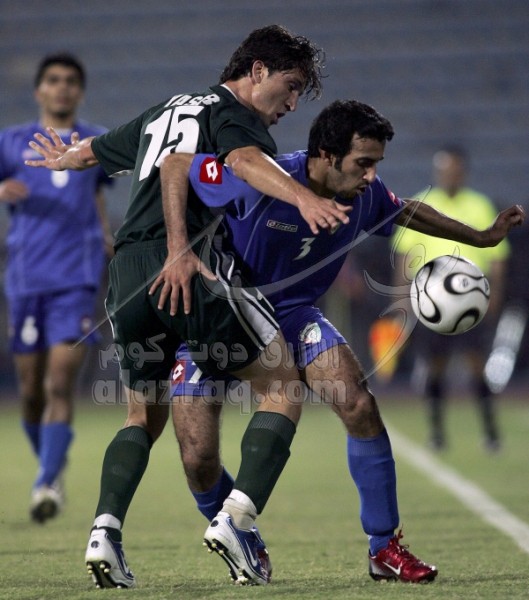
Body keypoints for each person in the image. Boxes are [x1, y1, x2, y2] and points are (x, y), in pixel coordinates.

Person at [26, 25, 353, 589]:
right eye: (291, 85)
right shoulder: (234, 115)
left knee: (141, 416)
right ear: (257, 71)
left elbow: (97, 152)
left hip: (127, 274)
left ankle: (104, 532)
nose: (292, 103)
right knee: (282, 385)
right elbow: (238, 161)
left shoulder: (166, 109)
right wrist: (302, 197)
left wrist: (66, 156)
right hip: (187, 266)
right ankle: (236, 518)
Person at [165, 101, 524, 583]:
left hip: (294, 317)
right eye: (363, 163)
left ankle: (384, 548)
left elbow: (405, 209)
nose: (371, 176)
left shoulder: (364, 195)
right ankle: (240, 535)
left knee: (358, 402)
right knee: (197, 458)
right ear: (327, 155)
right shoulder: (262, 177)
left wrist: (479, 238)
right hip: (223, 316)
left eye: (376, 164)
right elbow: (179, 165)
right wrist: (176, 248)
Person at [0, 53, 114, 523]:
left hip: (76, 279)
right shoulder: (10, 142)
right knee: (30, 391)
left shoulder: (96, 142)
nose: (62, 87)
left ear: (80, 92)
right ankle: (51, 465)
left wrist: (105, 236)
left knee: (59, 381)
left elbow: (97, 190)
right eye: (53, 80)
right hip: (27, 279)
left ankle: (46, 482)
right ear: (39, 90)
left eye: (70, 80)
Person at [393, 145, 511, 451]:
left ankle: (491, 432)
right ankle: (436, 433)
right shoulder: (421, 204)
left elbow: (498, 255)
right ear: (437, 172)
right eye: (445, 170)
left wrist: (495, 294)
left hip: (471, 301)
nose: (450, 175)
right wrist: (402, 301)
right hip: (431, 302)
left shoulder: (480, 206)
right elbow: (404, 255)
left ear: (464, 172)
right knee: (434, 366)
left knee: (477, 365)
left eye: (455, 170)